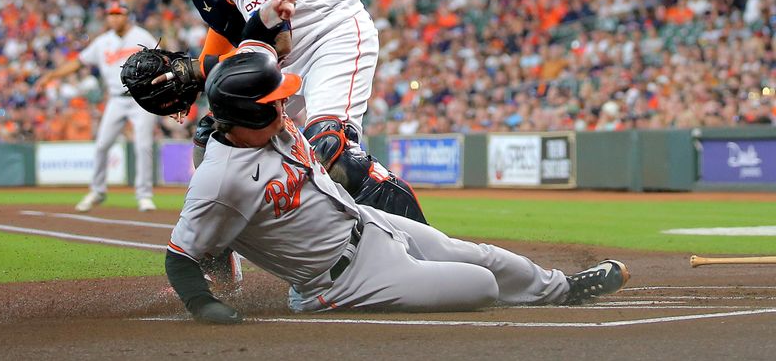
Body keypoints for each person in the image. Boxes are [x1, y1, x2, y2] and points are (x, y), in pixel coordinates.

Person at [164, 44, 630, 324]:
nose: (284, 107)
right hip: (342, 281)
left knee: (480, 255)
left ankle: (562, 288)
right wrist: (202, 303)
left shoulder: (268, 127)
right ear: (247, 114)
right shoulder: (220, 179)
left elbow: (256, 58)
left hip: (369, 225)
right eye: (274, 101)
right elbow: (180, 255)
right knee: (482, 284)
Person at [131, 0, 426, 224]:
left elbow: (275, 44)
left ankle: (421, 249)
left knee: (330, 150)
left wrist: (198, 69)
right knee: (212, 141)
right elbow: (227, 30)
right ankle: (217, 257)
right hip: (282, 53)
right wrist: (199, 78)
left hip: (329, 34)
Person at [35, 2, 159, 212]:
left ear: (127, 16)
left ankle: (144, 195)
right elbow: (78, 62)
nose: (113, 18)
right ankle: (97, 190)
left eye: (118, 14)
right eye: (110, 15)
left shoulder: (143, 36)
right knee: (102, 145)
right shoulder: (103, 42)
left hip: (142, 98)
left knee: (143, 146)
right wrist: (52, 75)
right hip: (116, 99)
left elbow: (161, 59)